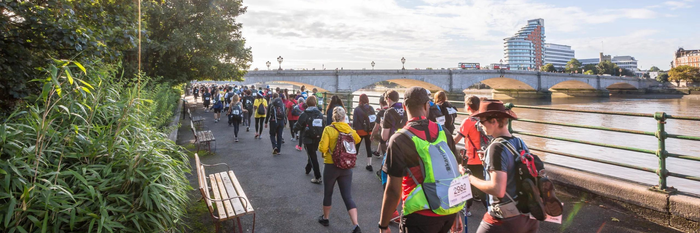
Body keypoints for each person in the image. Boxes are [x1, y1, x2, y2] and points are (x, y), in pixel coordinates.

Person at [379, 87, 464, 233]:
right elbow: (454, 175)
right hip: (446, 212)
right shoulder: (444, 133)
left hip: (418, 216)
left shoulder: (399, 139)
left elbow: (393, 190)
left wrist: (383, 225)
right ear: (426, 105)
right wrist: (456, 213)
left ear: (405, 107)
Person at [468, 100, 540, 233]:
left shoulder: (496, 148)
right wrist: (488, 161)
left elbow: (498, 189)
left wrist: (470, 178)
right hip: (528, 216)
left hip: (505, 219)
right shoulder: (519, 142)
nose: (479, 126)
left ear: (494, 121)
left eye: (482, 122)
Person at [317, 106, 362, 233]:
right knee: (347, 196)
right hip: (346, 166)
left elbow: (322, 148)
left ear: (333, 117)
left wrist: (326, 150)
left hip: (331, 166)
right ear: (344, 117)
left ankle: (325, 218)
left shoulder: (328, 129)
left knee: (328, 193)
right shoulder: (349, 129)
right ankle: (356, 225)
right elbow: (357, 139)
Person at [454, 96, 489, 218]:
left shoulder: (468, 121)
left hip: (472, 158)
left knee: (467, 185)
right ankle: (489, 208)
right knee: (483, 183)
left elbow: (456, 140)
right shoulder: (485, 118)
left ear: (468, 107)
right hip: (486, 157)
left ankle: (467, 209)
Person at [293, 96, 325, 183]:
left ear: (307, 104)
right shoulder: (320, 114)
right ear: (315, 103)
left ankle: (317, 177)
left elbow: (297, 126)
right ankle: (308, 168)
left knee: (312, 156)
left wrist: (295, 129)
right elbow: (323, 126)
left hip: (308, 137)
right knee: (312, 153)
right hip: (317, 137)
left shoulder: (305, 114)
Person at [352, 93, 376, 171]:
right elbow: (373, 120)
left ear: (360, 100)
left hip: (360, 131)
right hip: (369, 131)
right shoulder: (371, 108)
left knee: (357, 146)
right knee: (368, 147)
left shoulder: (357, 109)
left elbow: (355, 122)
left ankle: (353, 162)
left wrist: (354, 130)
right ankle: (369, 164)